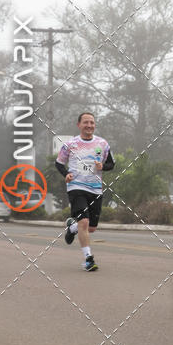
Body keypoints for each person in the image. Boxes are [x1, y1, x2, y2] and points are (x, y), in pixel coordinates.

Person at [55, 112, 115, 271]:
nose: (89, 125)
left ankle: (72, 228)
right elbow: (59, 163)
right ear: (79, 125)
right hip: (76, 187)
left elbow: (111, 164)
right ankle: (88, 259)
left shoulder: (102, 143)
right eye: (86, 122)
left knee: (91, 228)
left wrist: (103, 167)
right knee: (84, 222)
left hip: (95, 189)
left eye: (92, 123)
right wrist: (66, 174)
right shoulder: (70, 144)